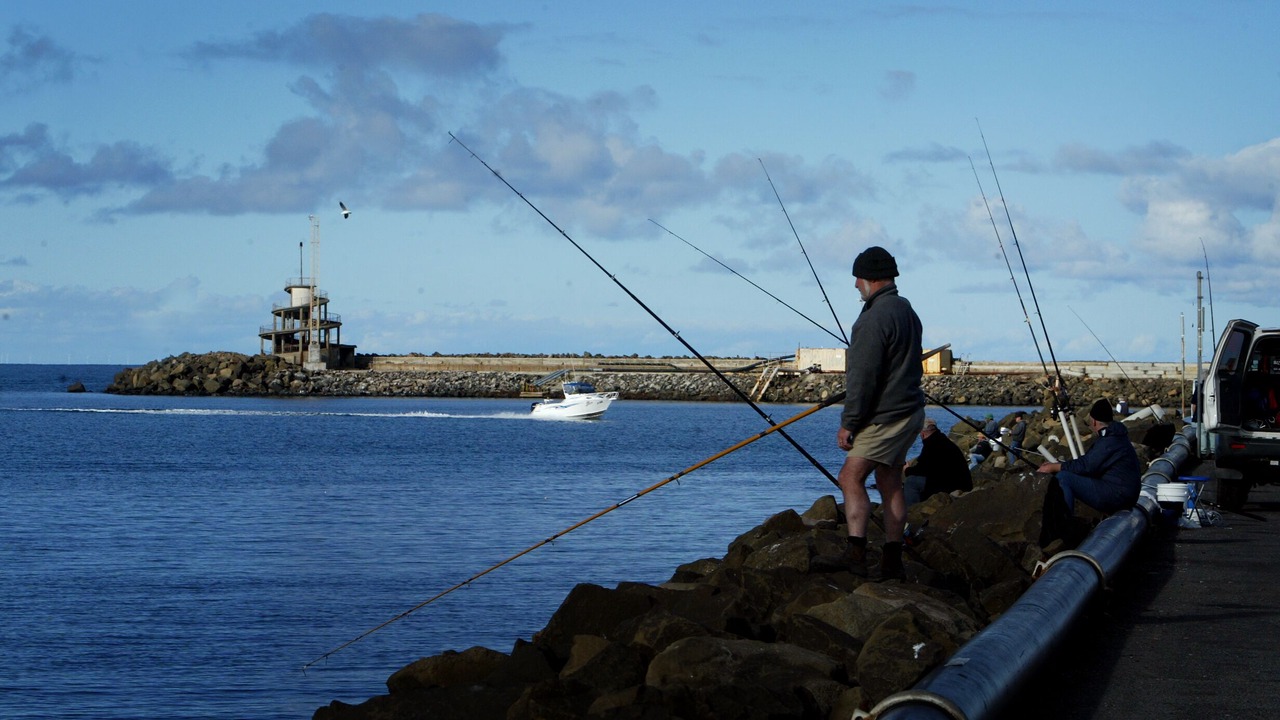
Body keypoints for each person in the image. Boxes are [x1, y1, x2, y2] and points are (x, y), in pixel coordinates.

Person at [830, 246, 925, 581]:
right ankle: (891, 561)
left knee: (849, 477)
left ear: (870, 279)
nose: (855, 284)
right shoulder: (906, 309)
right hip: (911, 412)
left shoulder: (872, 319)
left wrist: (849, 423)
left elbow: (863, 378)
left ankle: (856, 554)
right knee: (889, 480)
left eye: (858, 278)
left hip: (885, 417)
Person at [1037, 398, 1142, 546]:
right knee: (1067, 473)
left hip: (1119, 495)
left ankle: (1064, 530)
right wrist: (1060, 464)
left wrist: (1054, 467)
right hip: (1125, 494)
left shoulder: (1109, 440)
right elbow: (1089, 464)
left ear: (1094, 421)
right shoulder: (1116, 435)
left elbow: (1087, 466)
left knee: (1064, 478)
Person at [904, 418, 972, 505]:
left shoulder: (931, 444)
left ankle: (911, 509)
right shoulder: (942, 440)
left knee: (911, 482)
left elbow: (923, 470)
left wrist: (907, 470)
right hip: (961, 482)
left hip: (952, 485)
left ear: (922, 434)